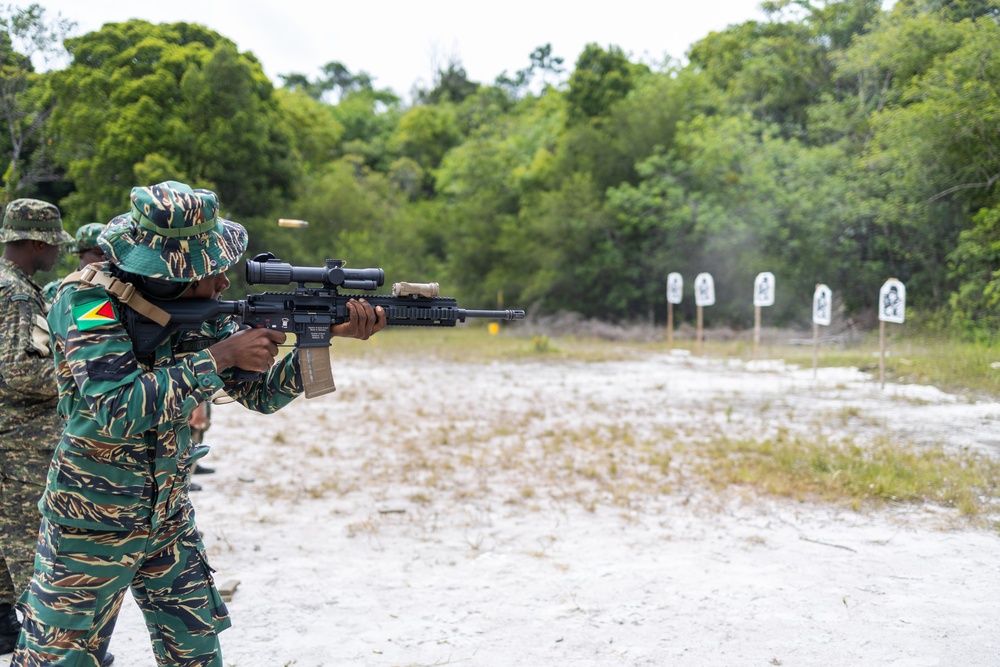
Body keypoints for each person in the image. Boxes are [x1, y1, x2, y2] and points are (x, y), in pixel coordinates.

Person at [12, 181, 384, 666]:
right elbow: (117, 406)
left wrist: (318, 337)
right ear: (174, 277)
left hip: (167, 518)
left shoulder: (202, 314)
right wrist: (220, 356)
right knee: (55, 661)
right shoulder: (84, 302)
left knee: (197, 657)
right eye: (213, 271)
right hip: (89, 523)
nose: (224, 282)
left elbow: (260, 393)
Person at [0, 199, 74, 655]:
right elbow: (21, 371)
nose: (57, 254)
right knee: (34, 547)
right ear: (32, 242)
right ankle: (53, 653)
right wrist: (77, 378)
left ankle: (7, 633)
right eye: (52, 245)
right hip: (22, 443)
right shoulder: (18, 294)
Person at [41, 222, 108, 303]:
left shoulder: (121, 290)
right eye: (99, 253)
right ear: (80, 253)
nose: (106, 259)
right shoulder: (57, 292)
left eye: (110, 254)